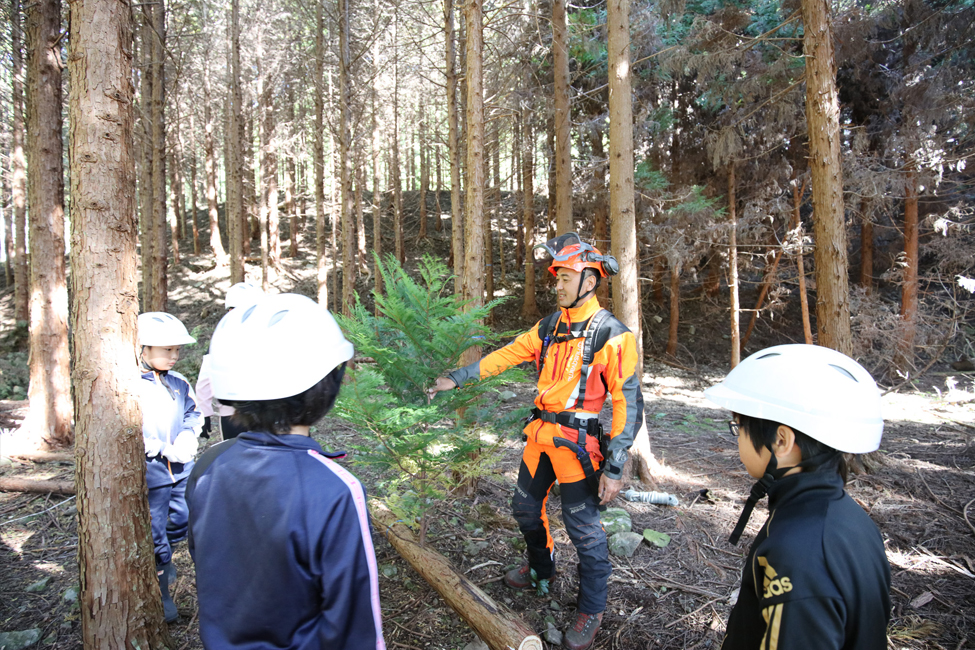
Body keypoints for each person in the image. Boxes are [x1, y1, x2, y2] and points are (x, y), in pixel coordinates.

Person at [429, 232, 645, 650]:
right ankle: (540, 571)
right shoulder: (549, 327)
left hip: (578, 446)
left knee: (584, 531)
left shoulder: (613, 334)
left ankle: (591, 608)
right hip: (539, 437)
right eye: (556, 277)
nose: (557, 285)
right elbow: (507, 354)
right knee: (525, 509)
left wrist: (616, 466)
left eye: (564, 276)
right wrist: (457, 378)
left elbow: (627, 403)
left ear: (589, 278)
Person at [186, 293, 385, 650]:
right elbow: (355, 625)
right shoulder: (335, 489)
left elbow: (208, 565)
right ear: (326, 385)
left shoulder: (207, 468)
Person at [703, 344, 891, 650]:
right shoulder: (847, 518)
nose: (737, 437)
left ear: (781, 440)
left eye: (739, 426)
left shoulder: (799, 555)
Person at [138, 311, 203, 623]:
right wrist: (161, 448)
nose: (175, 355)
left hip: (182, 469)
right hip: (154, 472)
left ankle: (167, 556)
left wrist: (190, 435)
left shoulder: (179, 382)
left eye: (177, 350)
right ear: (143, 349)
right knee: (155, 530)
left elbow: (193, 411)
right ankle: (161, 590)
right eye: (167, 350)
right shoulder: (132, 386)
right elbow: (129, 430)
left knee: (181, 518)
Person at [195, 281, 265, 440]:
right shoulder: (267, 335)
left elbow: (205, 379)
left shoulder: (221, 336)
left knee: (234, 458)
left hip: (232, 414)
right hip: (264, 412)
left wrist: (205, 413)